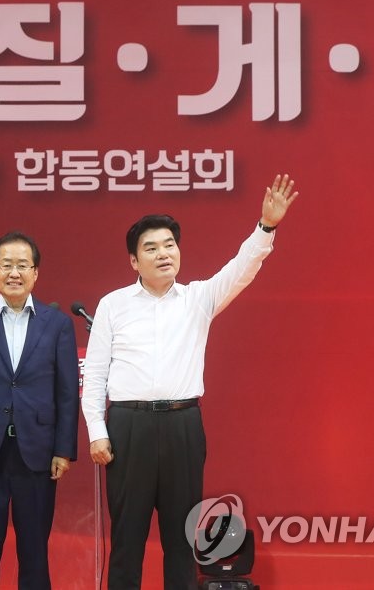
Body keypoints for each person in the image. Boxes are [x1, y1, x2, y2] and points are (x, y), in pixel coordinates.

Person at [81, 175, 300, 589]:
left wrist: (266, 226)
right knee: (127, 539)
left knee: (182, 540)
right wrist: (97, 431)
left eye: (169, 245)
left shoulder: (198, 298)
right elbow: (94, 374)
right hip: (128, 427)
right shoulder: (113, 305)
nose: (163, 253)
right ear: (134, 261)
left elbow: (241, 268)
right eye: (151, 248)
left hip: (183, 426)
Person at [0, 231, 80, 590]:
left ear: (35, 273)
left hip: (38, 451)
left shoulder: (58, 325)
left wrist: (63, 449)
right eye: (6, 265)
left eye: (23, 265)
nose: (14, 272)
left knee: (34, 550)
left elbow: (67, 392)